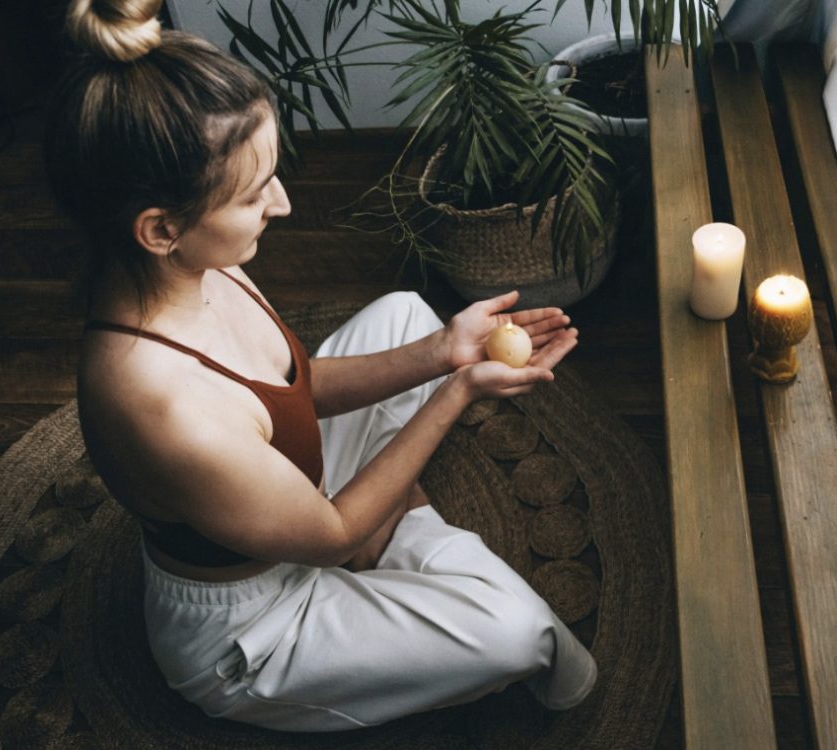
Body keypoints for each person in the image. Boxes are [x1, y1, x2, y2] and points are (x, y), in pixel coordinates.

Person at [42, 0, 597, 732]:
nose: (283, 202)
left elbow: (299, 388)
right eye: (252, 193)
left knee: (406, 312)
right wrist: (457, 388)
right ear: (160, 229)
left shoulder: (200, 266)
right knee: (519, 630)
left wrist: (443, 351)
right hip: (258, 619)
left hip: (285, 496)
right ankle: (401, 543)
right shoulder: (162, 404)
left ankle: (394, 534)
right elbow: (332, 534)